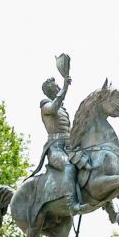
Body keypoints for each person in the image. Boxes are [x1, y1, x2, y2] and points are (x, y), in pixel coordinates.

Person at [36, 73, 91, 215]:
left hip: (69, 146)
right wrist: (65, 88)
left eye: (59, 86)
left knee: (91, 161)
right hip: (55, 148)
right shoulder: (46, 105)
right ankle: (72, 205)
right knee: (68, 167)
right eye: (56, 86)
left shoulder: (63, 110)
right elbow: (54, 107)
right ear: (50, 90)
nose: (59, 87)